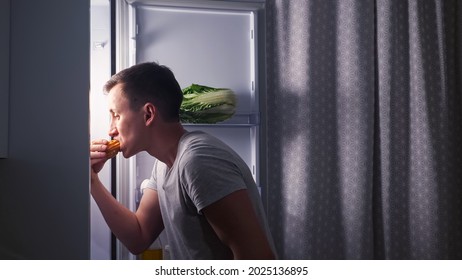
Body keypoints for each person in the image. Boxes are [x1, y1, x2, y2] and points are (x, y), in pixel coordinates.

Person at [90, 62, 276, 259]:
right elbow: (139, 237)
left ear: (148, 114)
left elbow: (258, 259)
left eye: (116, 116)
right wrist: (92, 180)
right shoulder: (164, 164)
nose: (111, 130)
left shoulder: (199, 160)